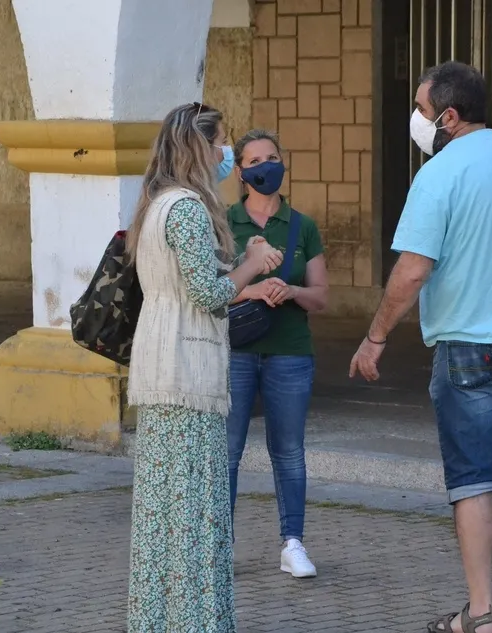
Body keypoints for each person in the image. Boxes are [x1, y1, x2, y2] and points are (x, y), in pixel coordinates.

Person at [348, 61, 492, 633]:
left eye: (420, 110)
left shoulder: (438, 174)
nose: (416, 120)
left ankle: (482, 613)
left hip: (465, 348)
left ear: (448, 116)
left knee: (471, 482)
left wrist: (375, 338)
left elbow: (412, 270)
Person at [125, 103, 283, 633]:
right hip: (184, 374)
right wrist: (252, 266)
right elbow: (209, 294)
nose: (226, 154)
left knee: (162, 516)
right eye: (221, 144)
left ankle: (158, 620)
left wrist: (241, 261)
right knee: (192, 514)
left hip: (162, 370)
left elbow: (197, 277)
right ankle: (193, 623)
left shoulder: (157, 203)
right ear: (199, 147)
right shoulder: (187, 208)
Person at [226, 129, 329, 578]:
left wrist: (291, 291)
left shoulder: (303, 226)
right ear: (240, 171)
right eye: (255, 161)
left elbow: (321, 296)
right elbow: (205, 289)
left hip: (290, 351)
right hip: (235, 351)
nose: (266, 167)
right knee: (226, 451)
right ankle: (220, 545)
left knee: (289, 450)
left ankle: (293, 543)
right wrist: (251, 289)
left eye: (272, 157)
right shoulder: (223, 222)